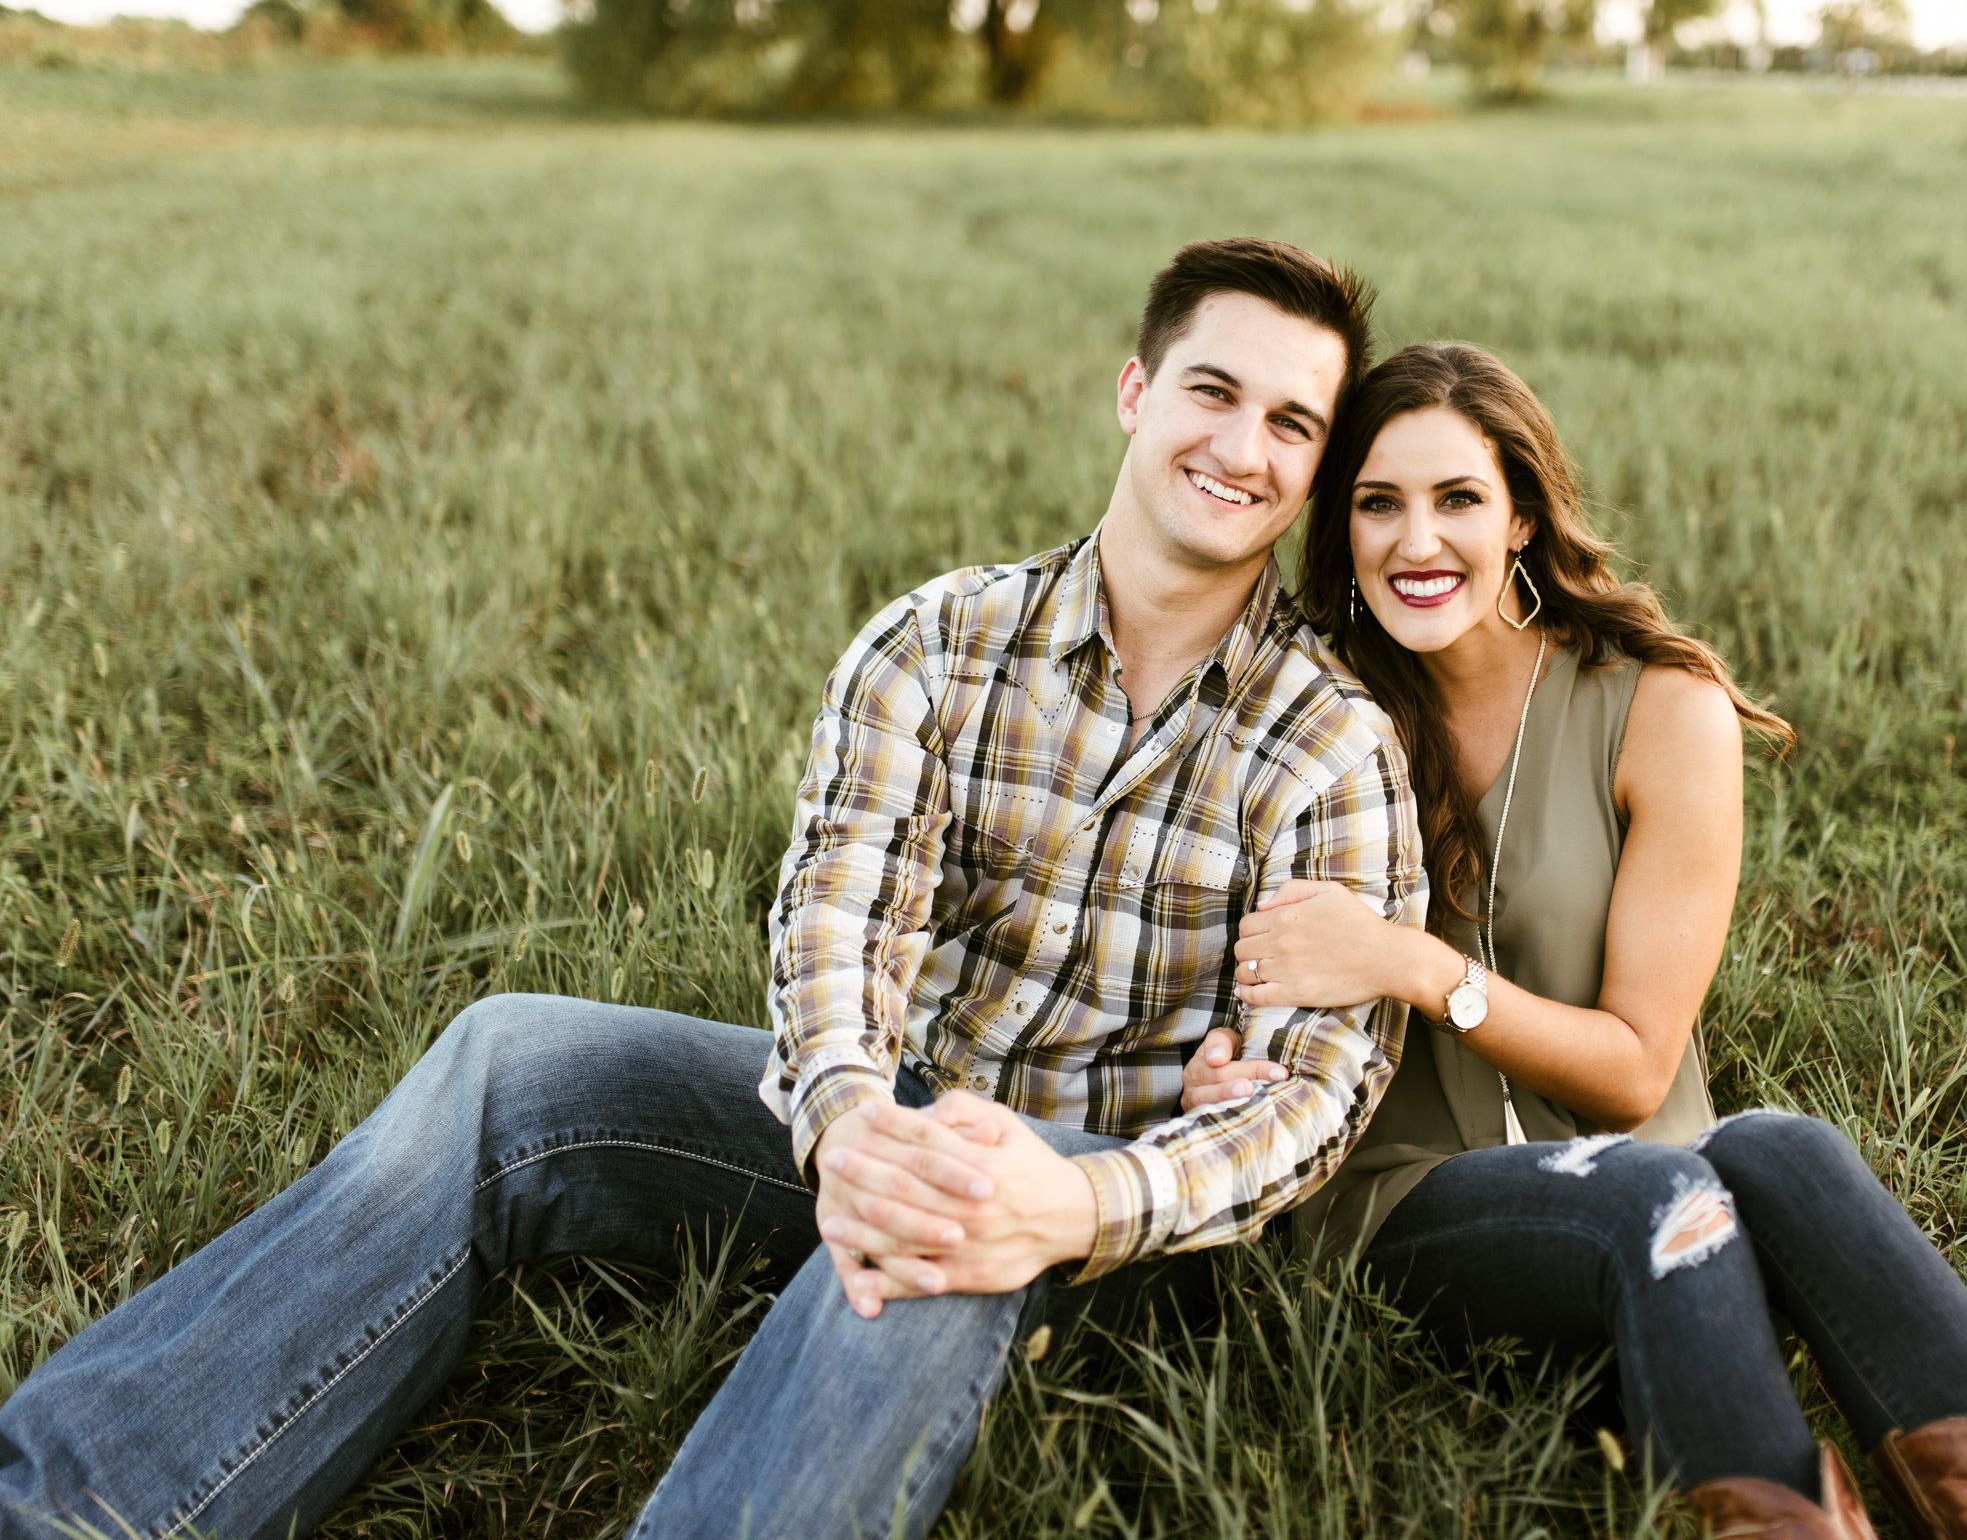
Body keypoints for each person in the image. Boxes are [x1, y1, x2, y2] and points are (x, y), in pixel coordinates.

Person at [0, 238, 1424, 1540]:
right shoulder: (936, 640)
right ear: (1134, 390)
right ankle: (79, 1505)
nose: (1241, 445)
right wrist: (853, 1117)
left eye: (1291, 424)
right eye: (1213, 391)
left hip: (1117, 1217)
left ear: (1311, 468)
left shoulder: (1328, 745)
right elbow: (837, 919)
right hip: (894, 1103)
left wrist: (1074, 1203)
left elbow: (1317, 1099)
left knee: (937, 1220)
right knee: (515, 1058)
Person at [1180, 342, 1967, 1540]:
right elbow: (1224, 964)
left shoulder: (1659, 707)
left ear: (1520, 515)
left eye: (1457, 498)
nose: (1416, 542)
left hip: (1650, 1167)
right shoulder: (1305, 710)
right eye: (1378, 503)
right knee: (1659, 1191)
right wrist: (1218, 1060)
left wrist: (1418, 965)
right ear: (1343, 525)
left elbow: (1637, 1070)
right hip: (1400, 1202)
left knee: (1777, 1147)